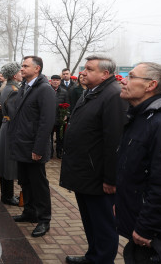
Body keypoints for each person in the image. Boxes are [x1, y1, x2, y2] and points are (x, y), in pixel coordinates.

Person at [60, 55, 127, 264]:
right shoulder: (93, 91)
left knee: (104, 224)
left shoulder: (113, 95)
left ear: (104, 74)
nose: (83, 72)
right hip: (85, 173)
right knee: (90, 221)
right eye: (84, 68)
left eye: (89, 69)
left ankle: (102, 259)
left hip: (99, 176)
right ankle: (93, 256)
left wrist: (111, 179)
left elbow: (114, 140)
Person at [116, 62, 161, 264]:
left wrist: (147, 227)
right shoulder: (140, 117)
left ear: (150, 85)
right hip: (139, 219)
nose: (124, 81)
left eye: (131, 77)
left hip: (154, 232)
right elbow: (132, 169)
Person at [10, 56, 56, 238]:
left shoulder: (44, 89)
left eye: (25, 66)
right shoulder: (25, 87)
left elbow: (46, 122)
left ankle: (44, 219)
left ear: (37, 69)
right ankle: (29, 212)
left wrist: (38, 149)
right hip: (21, 145)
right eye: (21, 66)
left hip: (33, 148)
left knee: (39, 184)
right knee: (25, 181)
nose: (21, 69)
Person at [0, 62, 22, 206]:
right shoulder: (13, 89)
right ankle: (7, 196)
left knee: (6, 163)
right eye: (19, 71)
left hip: (7, 126)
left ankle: (7, 195)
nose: (21, 73)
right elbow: (14, 112)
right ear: (14, 75)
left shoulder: (8, 87)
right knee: (9, 164)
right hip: (11, 128)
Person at [50, 74, 69, 159]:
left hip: (60, 118)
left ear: (60, 82)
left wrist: (66, 115)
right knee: (48, 137)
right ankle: (50, 152)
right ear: (51, 81)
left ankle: (59, 152)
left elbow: (68, 105)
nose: (55, 81)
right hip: (49, 118)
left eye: (57, 80)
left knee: (60, 136)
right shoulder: (47, 90)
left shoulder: (64, 92)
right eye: (53, 80)